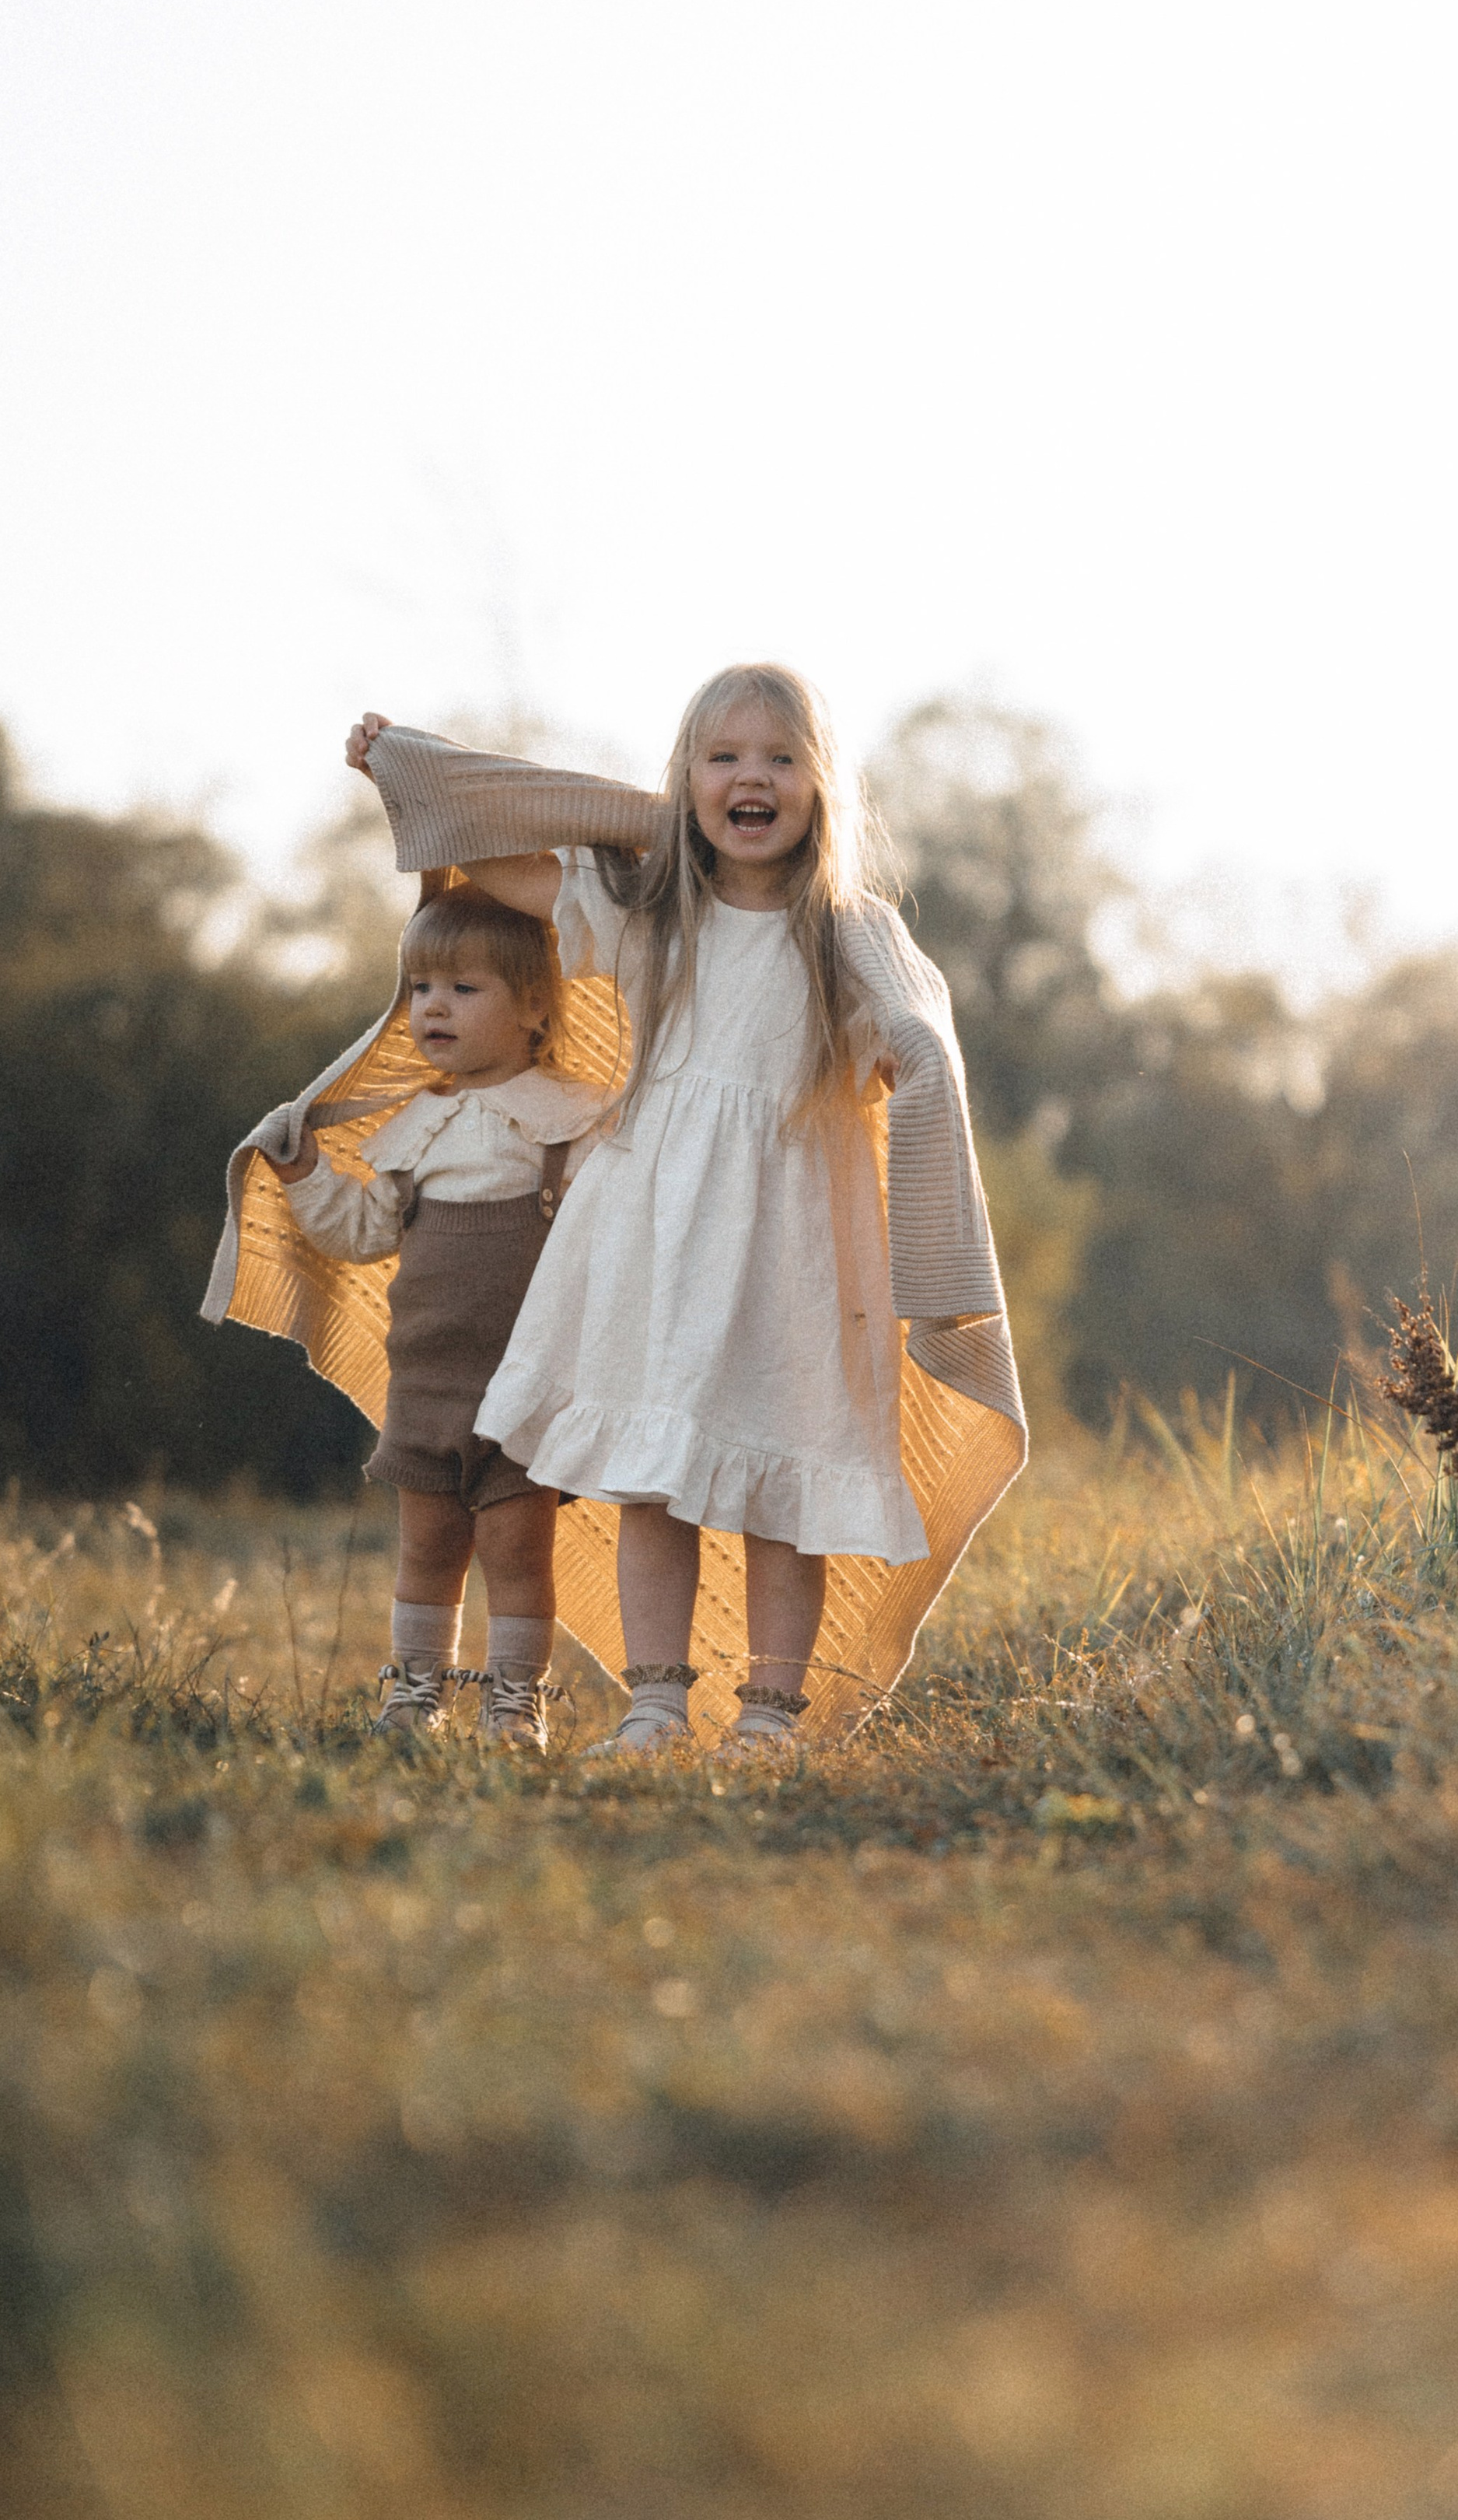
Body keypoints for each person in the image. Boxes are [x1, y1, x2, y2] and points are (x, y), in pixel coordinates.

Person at [344, 663, 1025, 1753]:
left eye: (781, 758)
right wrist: (411, 769)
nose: (752, 777)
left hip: (792, 1247)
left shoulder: (850, 932)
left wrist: (909, 1061)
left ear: (824, 785)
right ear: (684, 781)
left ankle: (768, 1715)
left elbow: (915, 1041)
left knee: (782, 1481)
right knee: (650, 1479)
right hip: (653, 1234)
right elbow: (501, 863)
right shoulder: (652, 911)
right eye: (723, 758)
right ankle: (655, 1704)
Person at [256, 882, 607, 1745]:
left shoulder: (571, 1124)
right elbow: (359, 1232)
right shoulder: (416, 1128)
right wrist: (305, 1174)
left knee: (516, 1553)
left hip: (525, 1387)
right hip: (426, 1383)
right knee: (427, 1549)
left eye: (463, 987)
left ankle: (514, 1705)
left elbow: (616, 1239)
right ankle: (415, 1697)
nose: (433, 1007)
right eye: (420, 988)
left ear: (535, 1008)